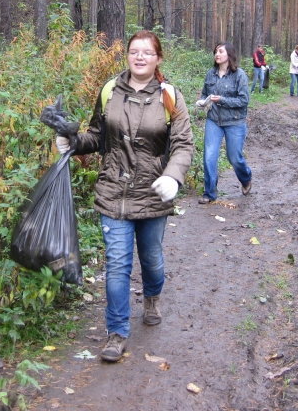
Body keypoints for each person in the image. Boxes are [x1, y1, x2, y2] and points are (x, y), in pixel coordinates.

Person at [56, 31, 194, 363]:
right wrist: (73, 143)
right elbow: (98, 136)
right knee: (117, 264)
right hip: (113, 191)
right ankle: (117, 332)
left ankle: (152, 297)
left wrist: (173, 177)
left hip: (152, 193)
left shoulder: (169, 96)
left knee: (152, 260)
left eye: (147, 52)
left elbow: (183, 144)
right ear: (128, 56)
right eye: (134, 51)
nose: (140, 57)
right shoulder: (109, 91)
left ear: (158, 58)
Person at [196, 42, 253, 205]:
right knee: (209, 156)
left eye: (220, 51)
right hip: (214, 120)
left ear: (229, 54)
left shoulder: (239, 75)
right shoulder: (211, 74)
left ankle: (246, 178)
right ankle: (210, 193)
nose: (217, 54)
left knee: (234, 157)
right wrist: (202, 102)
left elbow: (244, 100)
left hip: (235, 121)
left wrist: (222, 100)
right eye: (215, 52)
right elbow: (205, 94)